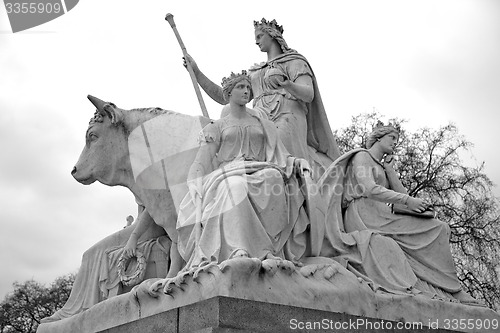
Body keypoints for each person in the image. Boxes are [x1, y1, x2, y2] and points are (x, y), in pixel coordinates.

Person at [317, 124, 480, 305]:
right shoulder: (361, 156)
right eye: (392, 138)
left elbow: (402, 194)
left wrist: (390, 171)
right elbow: (369, 189)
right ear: (379, 138)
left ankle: (451, 288)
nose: (395, 143)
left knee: (439, 228)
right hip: (364, 215)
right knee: (421, 233)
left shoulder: (382, 166)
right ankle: (446, 289)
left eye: (397, 140)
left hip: (384, 216)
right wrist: (407, 201)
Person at [176, 71, 313, 270]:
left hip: (260, 168)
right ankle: (237, 248)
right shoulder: (217, 127)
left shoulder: (262, 124)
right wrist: (195, 181)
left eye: (248, 87)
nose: (246, 91)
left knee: (274, 177)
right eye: (241, 87)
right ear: (229, 93)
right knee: (235, 186)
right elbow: (201, 162)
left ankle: (268, 249)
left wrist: (297, 162)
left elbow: (279, 153)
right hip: (229, 172)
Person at [183, 18, 340, 178]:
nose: (256, 42)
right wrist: (196, 72)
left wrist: (287, 85)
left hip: (287, 117)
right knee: (228, 110)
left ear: (272, 35)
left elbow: (308, 94)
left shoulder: (294, 62)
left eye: (259, 36)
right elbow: (225, 96)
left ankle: (291, 190)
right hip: (260, 117)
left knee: (279, 145)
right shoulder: (255, 72)